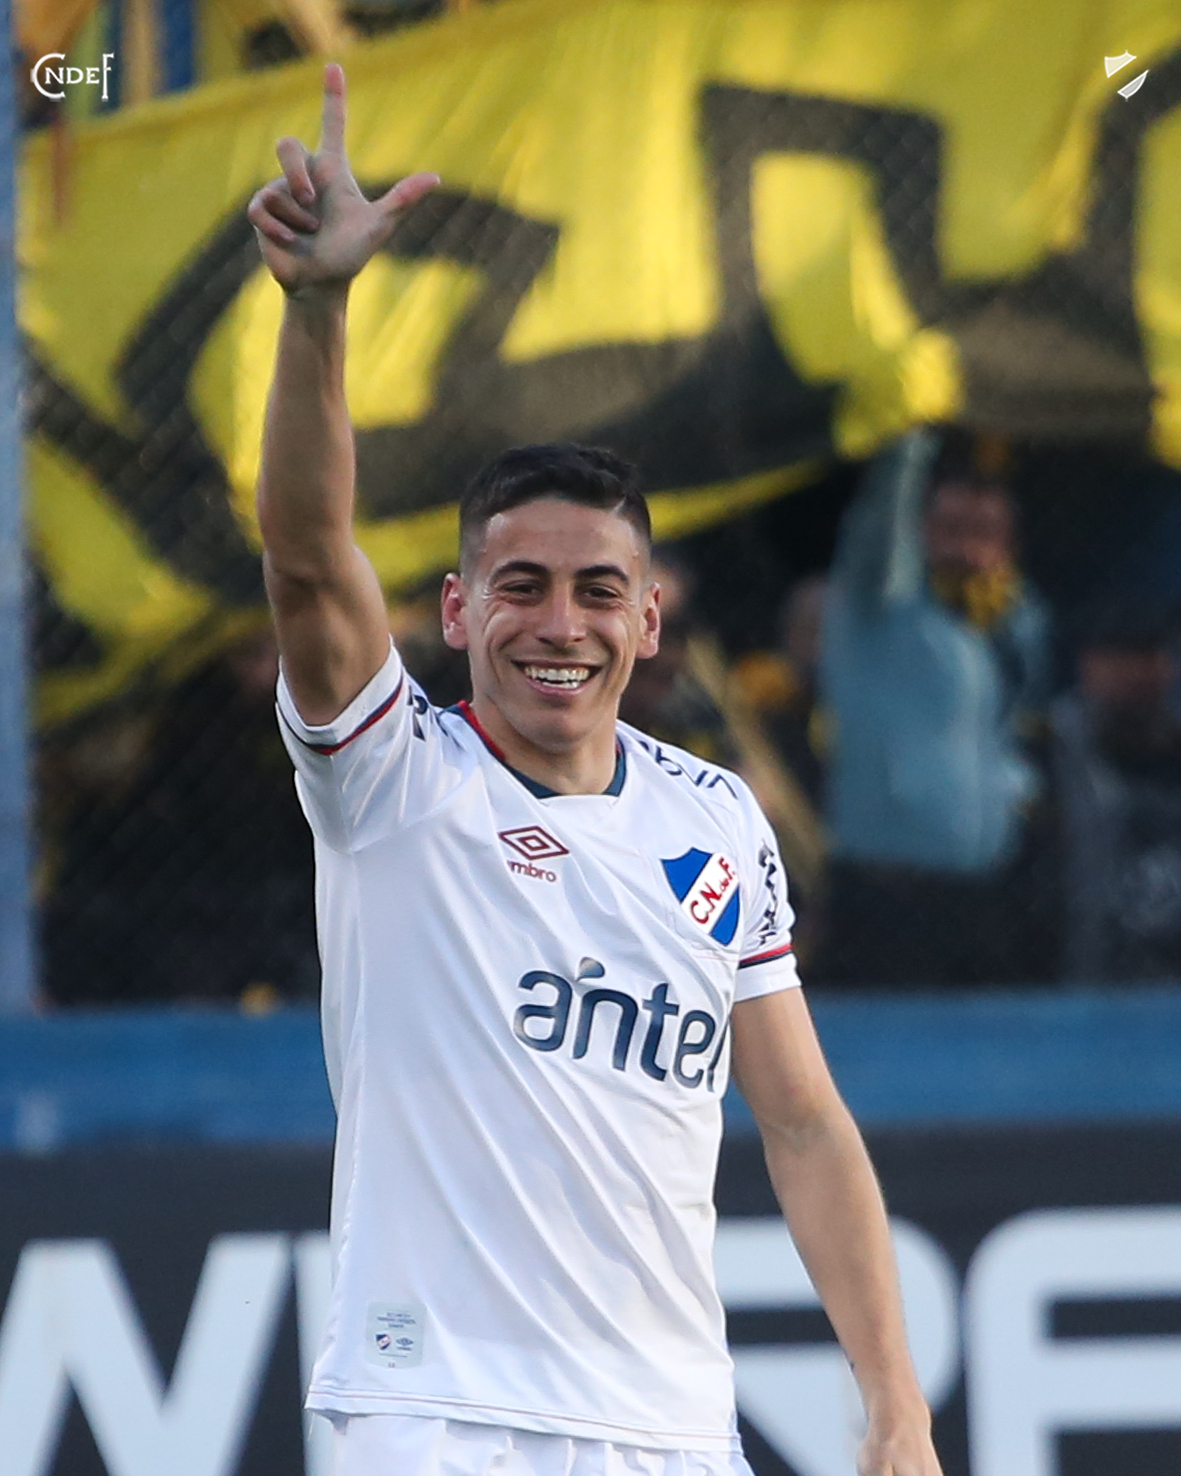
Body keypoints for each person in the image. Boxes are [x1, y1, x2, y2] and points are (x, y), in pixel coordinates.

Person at [248, 63, 942, 1476]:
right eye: (520, 587)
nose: (558, 624)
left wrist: (895, 1404)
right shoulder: (393, 781)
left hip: (673, 1432)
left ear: (648, 619)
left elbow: (802, 1123)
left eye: (595, 591)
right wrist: (318, 310)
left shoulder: (716, 819)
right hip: (439, 1418)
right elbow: (309, 560)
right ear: (457, 612)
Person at [815, 429, 1050, 987]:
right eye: (951, 530)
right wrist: (907, 438)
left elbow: (1014, 731)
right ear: (920, 532)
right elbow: (879, 523)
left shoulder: (1016, 623)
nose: (968, 548)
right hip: (885, 890)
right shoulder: (882, 602)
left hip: (984, 888)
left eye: (985, 533)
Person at [1048, 604, 1181, 982]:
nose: (1134, 673)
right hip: (1077, 975)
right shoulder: (1048, 751)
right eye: (1119, 658)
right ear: (1088, 666)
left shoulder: (1171, 745)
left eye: (1147, 656)